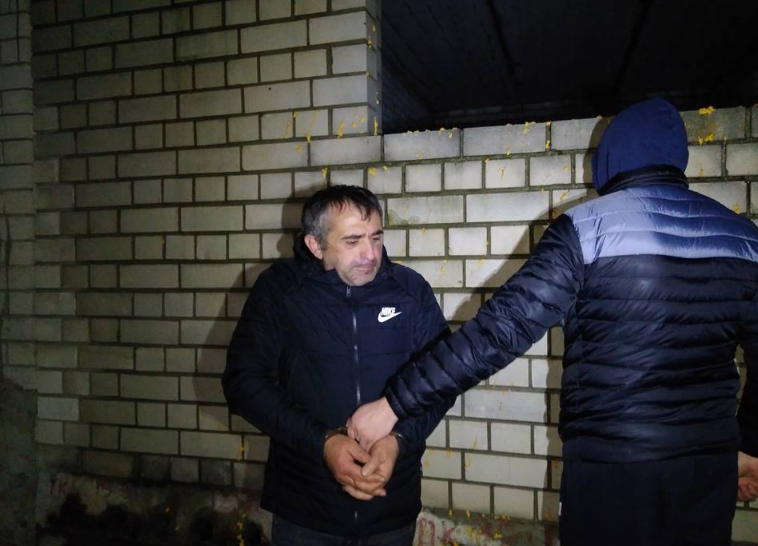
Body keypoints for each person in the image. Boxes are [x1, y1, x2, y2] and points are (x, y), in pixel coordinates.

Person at [347, 98, 758, 546]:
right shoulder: (743, 237)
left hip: (611, 470)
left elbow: (498, 333)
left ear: (610, 159)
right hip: (708, 469)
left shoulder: (586, 229)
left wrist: (394, 405)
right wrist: (751, 444)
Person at [223, 185, 453, 546]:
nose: (370, 254)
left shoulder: (410, 291)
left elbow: (442, 379)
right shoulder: (280, 291)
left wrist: (399, 440)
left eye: (376, 237)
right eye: (352, 241)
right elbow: (243, 383)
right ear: (316, 245)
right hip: (305, 511)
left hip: (391, 509)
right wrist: (322, 442)